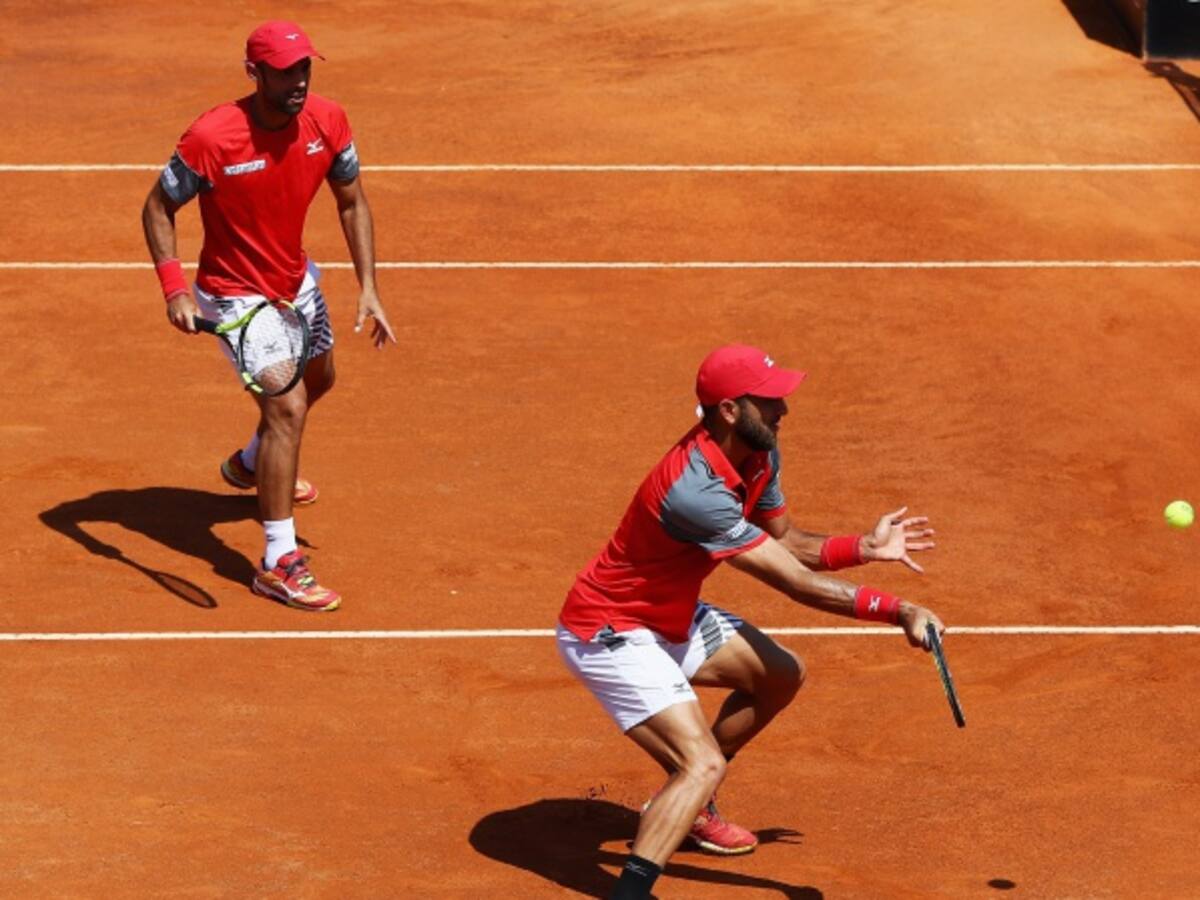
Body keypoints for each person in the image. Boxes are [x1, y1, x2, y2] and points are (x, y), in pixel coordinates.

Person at [556, 344, 945, 900]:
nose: (783, 408)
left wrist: (863, 546)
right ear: (730, 410)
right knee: (700, 764)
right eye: (769, 400)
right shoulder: (693, 491)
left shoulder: (759, 452)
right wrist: (899, 609)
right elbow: (792, 581)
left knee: (779, 674)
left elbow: (787, 544)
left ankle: (691, 811)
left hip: (669, 616)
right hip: (610, 630)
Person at [140, 20, 395, 611]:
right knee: (286, 407)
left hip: (293, 279)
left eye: (305, 67)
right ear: (255, 74)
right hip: (235, 293)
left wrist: (369, 287)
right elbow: (157, 207)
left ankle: (251, 463)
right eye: (285, 71)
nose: (299, 81)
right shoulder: (212, 137)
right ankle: (278, 561)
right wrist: (175, 288)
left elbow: (352, 200)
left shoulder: (328, 121)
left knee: (320, 379)